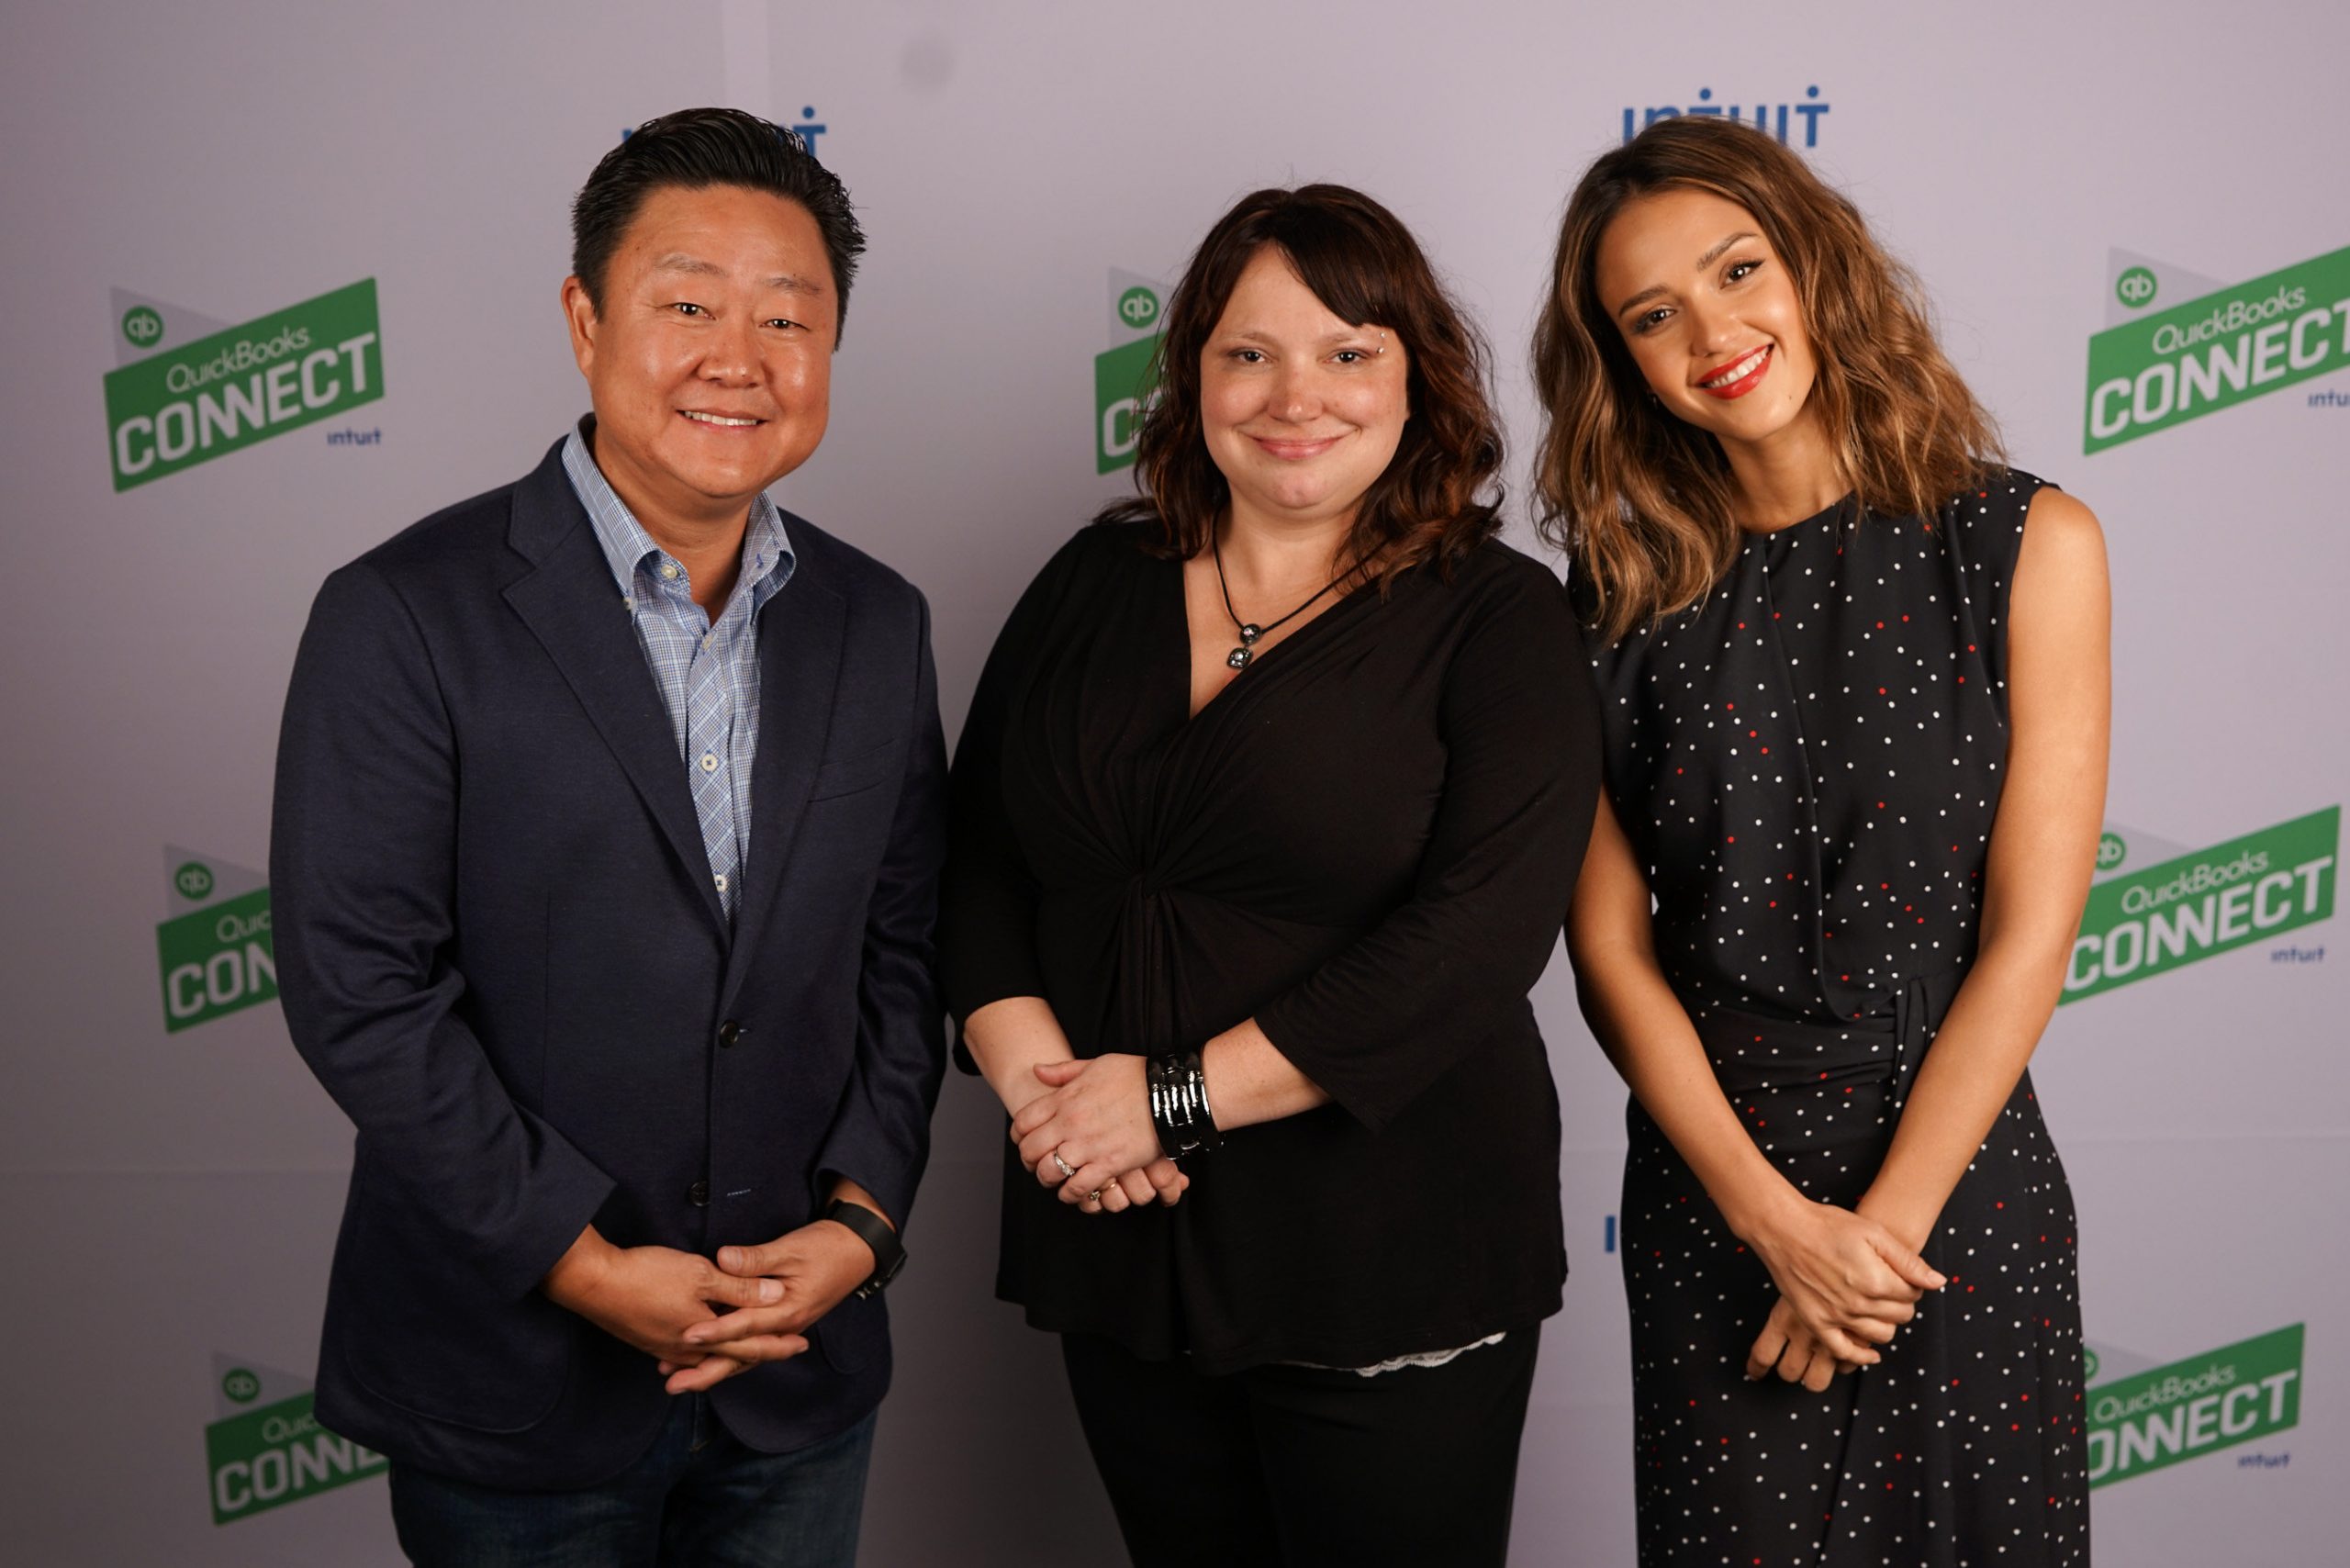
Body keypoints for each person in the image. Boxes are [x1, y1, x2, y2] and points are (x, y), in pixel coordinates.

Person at [271, 107, 946, 1567]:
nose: (738, 357)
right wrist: (578, 1265)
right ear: (585, 320)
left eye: (790, 317)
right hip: (513, 1381)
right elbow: (361, 993)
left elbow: (907, 951)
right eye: (687, 303)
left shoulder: (877, 622)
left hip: (798, 1378)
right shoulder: (404, 613)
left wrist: (865, 1223)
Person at [939, 184, 1601, 1568]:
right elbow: (978, 861)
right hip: (1120, 1229)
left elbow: (1477, 941)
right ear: (1193, 379)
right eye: (1250, 353)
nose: (1297, 395)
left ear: (1418, 380)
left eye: (1350, 352)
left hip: (1383, 1244)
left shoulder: (1500, 621)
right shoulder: (1091, 580)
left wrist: (1166, 1101)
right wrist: (1049, 1103)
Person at [1534, 117, 2106, 1564]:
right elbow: (1608, 954)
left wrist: (1873, 1246)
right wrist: (1778, 1226)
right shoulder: (1600, 608)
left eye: (1739, 270)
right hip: (1719, 1200)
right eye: (1652, 315)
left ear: (1814, 263)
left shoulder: (2031, 545)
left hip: (1957, 1191)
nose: (1712, 332)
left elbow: (2034, 933)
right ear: (1620, 364)